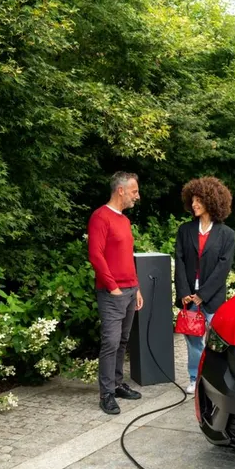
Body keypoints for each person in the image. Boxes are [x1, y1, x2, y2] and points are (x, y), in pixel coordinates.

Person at [88, 171, 144, 415]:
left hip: (130, 290)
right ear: (120, 190)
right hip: (113, 292)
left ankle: (118, 383)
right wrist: (113, 286)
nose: (137, 196)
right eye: (134, 191)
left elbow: (127, 258)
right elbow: (96, 255)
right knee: (110, 342)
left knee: (122, 340)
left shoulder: (124, 220)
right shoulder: (101, 217)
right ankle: (106, 394)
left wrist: (137, 287)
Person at [174, 177, 235, 394]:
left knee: (217, 343)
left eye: (198, 200)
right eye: (192, 200)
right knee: (192, 340)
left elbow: (223, 268)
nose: (194, 204)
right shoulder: (185, 230)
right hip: (188, 296)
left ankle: (216, 378)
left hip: (212, 297)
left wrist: (203, 294)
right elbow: (179, 261)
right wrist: (184, 292)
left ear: (211, 201)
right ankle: (195, 377)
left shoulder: (227, 234)